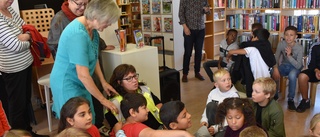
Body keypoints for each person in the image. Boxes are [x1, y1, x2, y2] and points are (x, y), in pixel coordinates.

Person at [47, 0, 115, 130]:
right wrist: (103, 100)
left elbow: (93, 59)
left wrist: (103, 82)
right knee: (75, 122)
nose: (109, 24)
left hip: (79, 79)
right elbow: (83, 75)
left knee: (87, 118)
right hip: (67, 81)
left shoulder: (92, 30)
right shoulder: (77, 33)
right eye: (108, 21)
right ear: (96, 17)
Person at [0, 0, 48, 136]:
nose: (11, 1)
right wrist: (29, 38)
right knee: (17, 106)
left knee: (25, 101)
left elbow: (28, 28)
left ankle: (28, 132)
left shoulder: (10, 10)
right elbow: (15, 45)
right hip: (13, 68)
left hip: (25, 63)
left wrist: (26, 37)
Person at [47, 0, 115, 59]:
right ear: (70, 1)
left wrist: (103, 45)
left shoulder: (86, 14)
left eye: (85, 4)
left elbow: (93, 33)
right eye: (79, 4)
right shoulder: (59, 19)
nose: (83, 8)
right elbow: (55, 46)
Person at [105, 64, 163, 130]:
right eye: (129, 78)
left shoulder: (143, 89)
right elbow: (115, 127)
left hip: (158, 125)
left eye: (135, 76)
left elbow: (159, 103)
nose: (135, 80)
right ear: (119, 82)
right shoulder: (115, 102)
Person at [227, 28, 276, 97]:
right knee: (265, 95)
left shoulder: (252, 48)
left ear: (256, 38)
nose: (251, 39)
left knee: (258, 95)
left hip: (258, 80)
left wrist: (228, 56)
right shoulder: (267, 46)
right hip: (267, 77)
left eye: (252, 37)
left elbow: (231, 52)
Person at [119, 93, 193, 137]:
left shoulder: (124, 127)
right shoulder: (135, 127)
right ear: (132, 112)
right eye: (144, 108)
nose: (148, 110)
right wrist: (184, 133)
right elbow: (152, 134)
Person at [200, 69, 240, 136]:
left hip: (227, 125)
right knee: (211, 105)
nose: (227, 82)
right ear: (216, 84)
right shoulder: (213, 93)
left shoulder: (234, 95)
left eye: (229, 79)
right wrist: (204, 120)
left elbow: (231, 117)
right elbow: (207, 109)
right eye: (224, 80)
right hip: (213, 123)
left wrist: (216, 128)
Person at [272, 26, 303, 111]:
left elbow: (298, 65)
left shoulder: (299, 47)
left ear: (296, 37)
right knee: (273, 71)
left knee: (292, 75)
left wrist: (289, 56)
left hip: (296, 67)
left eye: (291, 35)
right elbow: (276, 58)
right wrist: (275, 68)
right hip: (285, 65)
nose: (288, 37)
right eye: (286, 35)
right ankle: (275, 94)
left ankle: (290, 99)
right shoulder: (281, 44)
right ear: (284, 35)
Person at [179, 0, 211, 82]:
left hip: (200, 29)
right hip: (188, 29)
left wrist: (206, 10)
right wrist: (185, 27)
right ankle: (185, 74)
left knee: (198, 52)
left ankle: (197, 72)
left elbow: (208, 12)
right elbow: (181, 14)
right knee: (188, 52)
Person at [296, 33, 320, 113]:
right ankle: (305, 100)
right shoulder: (315, 47)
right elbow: (310, 63)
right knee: (302, 76)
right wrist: (316, 70)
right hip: (316, 70)